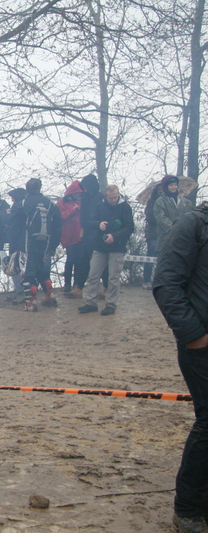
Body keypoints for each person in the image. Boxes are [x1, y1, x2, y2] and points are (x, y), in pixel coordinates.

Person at [153, 202, 208, 533]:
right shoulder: (193, 225)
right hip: (200, 344)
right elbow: (165, 285)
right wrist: (194, 336)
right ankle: (188, 508)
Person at [78, 185, 134, 316]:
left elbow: (130, 227)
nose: (113, 200)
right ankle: (91, 302)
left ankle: (111, 304)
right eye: (110, 198)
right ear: (106, 196)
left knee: (113, 278)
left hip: (117, 246)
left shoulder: (125, 207)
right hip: (100, 246)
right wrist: (98, 224)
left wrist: (115, 236)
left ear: (118, 194)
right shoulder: (100, 205)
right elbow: (89, 221)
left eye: (115, 197)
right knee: (93, 275)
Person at [20, 178, 61, 311]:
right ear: (40, 188)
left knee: (28, 272)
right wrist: (53, 245)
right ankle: (50, 294)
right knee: (42, 270)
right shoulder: (50, 204)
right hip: (45, 243)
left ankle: (31, 302)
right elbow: (58, 225)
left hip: (28, 243)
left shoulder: (23, 203)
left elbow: (15, 224)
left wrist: (15, 246)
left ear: (27, 189)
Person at [57, 180, 84, 298]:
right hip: (68, 235)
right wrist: (73, 210)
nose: (78, 195)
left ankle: (76, 285)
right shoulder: (61, 202)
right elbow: (60, 216)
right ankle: (67, 284)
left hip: (80, 235)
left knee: (79, 261)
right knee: (70, 260)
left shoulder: (84, 201)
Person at [154, 175, 194, 252]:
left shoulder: (185, 202)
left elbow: (189, 216)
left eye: (175, 185)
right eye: (171, 185)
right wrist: (174, 229)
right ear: (166, 187)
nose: (174, 187)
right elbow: (161, 218)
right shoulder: (160, 201)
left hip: (182, 238)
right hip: (166, 238)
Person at [5, 188, 27, 304]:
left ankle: (21, 292)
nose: (11, 200)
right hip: (22, 241)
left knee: (16, 267)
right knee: (18, 266)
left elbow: (14, 227)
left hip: (18, 242)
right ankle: (19, 290)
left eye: (12, 197)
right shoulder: (24, 207)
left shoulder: (17, 209)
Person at [142, 183, 162, 290]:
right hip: (153, 234)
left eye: (163, 189)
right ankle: (146, 280)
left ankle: (159, 280)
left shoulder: (168, 202)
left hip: (165, 234)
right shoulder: (151, 203)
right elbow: (150, 217)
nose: (161, 191)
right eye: (159, 189)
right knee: (150, 256)